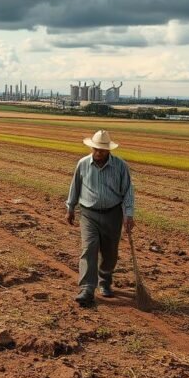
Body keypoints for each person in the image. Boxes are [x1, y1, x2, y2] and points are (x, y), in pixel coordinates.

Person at [65, 130, 135, 307]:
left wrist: (129, 214)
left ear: (109, 151)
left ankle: (105, 279)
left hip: (113, 214)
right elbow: (75, 186)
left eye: (102, 150)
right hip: (89, 213)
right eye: (95, 149)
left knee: (110, 253)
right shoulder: (83, 164)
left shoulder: (120, 166)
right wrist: (70, 207)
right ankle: (87, 288)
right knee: (89, 249)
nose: (98, 153)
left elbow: (128, 191)